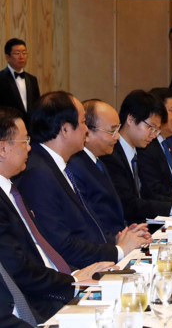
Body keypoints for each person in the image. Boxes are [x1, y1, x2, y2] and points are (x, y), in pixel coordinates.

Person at [0, 107, 112, 322]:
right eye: (25, 141)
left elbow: (41, 249)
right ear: (3, 149)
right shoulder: (28, 181)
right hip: (40, 304)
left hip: (59, 284)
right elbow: (18, 268)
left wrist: (75, 276)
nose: (30, 148)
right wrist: (72, 283)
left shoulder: (12, 190)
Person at [15, 92, 148, 269]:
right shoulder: (39, 174)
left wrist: (116, 240)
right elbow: (61, 245)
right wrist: (119, 250)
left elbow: (84, 227)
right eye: (83, 122)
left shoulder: (57, 165)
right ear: (65, 130)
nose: (86, 129)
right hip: (76, 273)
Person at [101, 90, 172, 225]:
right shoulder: (111, 155)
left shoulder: (136, 151)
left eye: (157, 130)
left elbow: (149, 195)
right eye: (151, 127)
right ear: (131, 119)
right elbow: (128, 204)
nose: (154, 135)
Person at [66, 100, 128, 237]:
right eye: (112, 131)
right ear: (87, 133)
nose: (117, 136)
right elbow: (90, 221)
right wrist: (116, 240)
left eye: (118, 130)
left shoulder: (99, 161)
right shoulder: (75, 167)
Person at [0, 39, 40, 120]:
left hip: (30, 125)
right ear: (7, 57)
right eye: (17, 53)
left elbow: (37, 105)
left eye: (24, 53)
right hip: (8, 124)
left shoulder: (32, 79)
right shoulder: (1, 78)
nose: (21, 57)